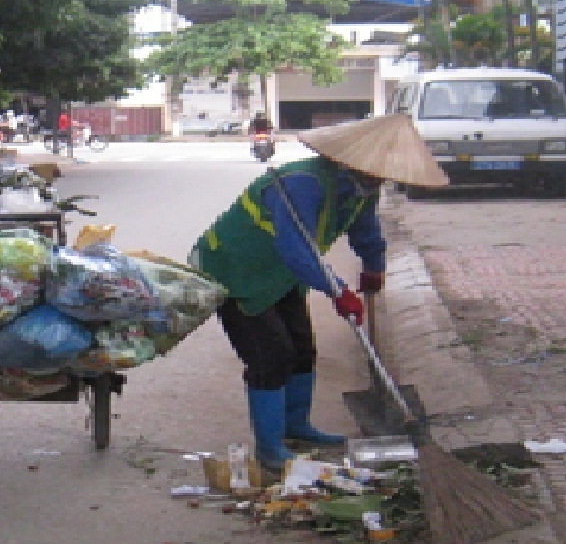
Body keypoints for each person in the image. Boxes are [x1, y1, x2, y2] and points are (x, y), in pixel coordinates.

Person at [188, 114, 448, 473]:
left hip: (280, 274)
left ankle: (297, 426)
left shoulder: (359, 189)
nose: (383, 178)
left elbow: (366, 230)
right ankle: (269, 448)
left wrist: (374, 265)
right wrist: (337, 290)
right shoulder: (302, 184)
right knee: (271, 357)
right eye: (380, 171)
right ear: (355, 161)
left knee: (301, 349)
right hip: (237, 271)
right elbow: (297, 248)